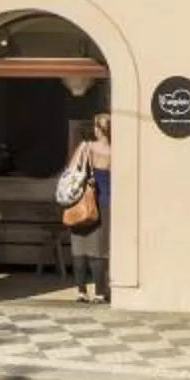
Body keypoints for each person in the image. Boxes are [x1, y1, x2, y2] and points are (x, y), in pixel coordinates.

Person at [58, 111, 112, 302]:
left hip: (81, 203)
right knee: (99, 249)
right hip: (104, 203)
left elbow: (71, 171)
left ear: (99, 129)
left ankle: (81, 291)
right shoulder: (114, 152)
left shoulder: (86, 147)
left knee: (79, 245)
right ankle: (100, 291)